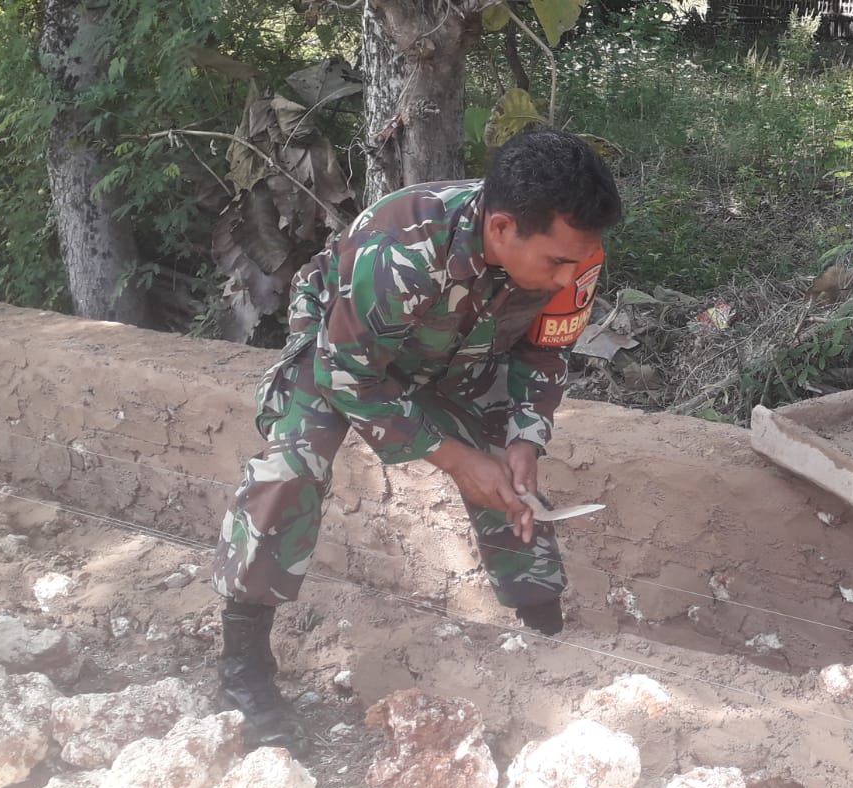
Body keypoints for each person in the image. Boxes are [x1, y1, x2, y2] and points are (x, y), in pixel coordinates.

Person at [209, 130, 622, 749]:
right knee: (293, 466)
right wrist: (455, 460)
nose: (569, 276)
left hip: (462, 352)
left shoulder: (575, 254)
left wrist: (524, 439)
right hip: (343, 346)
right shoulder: (398, 245)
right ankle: (242, 669)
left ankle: (543, 640)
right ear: (503, 228)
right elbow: (349, 374)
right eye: (557, 263)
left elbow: (545, 351)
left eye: (577, 261)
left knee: (512, 483)